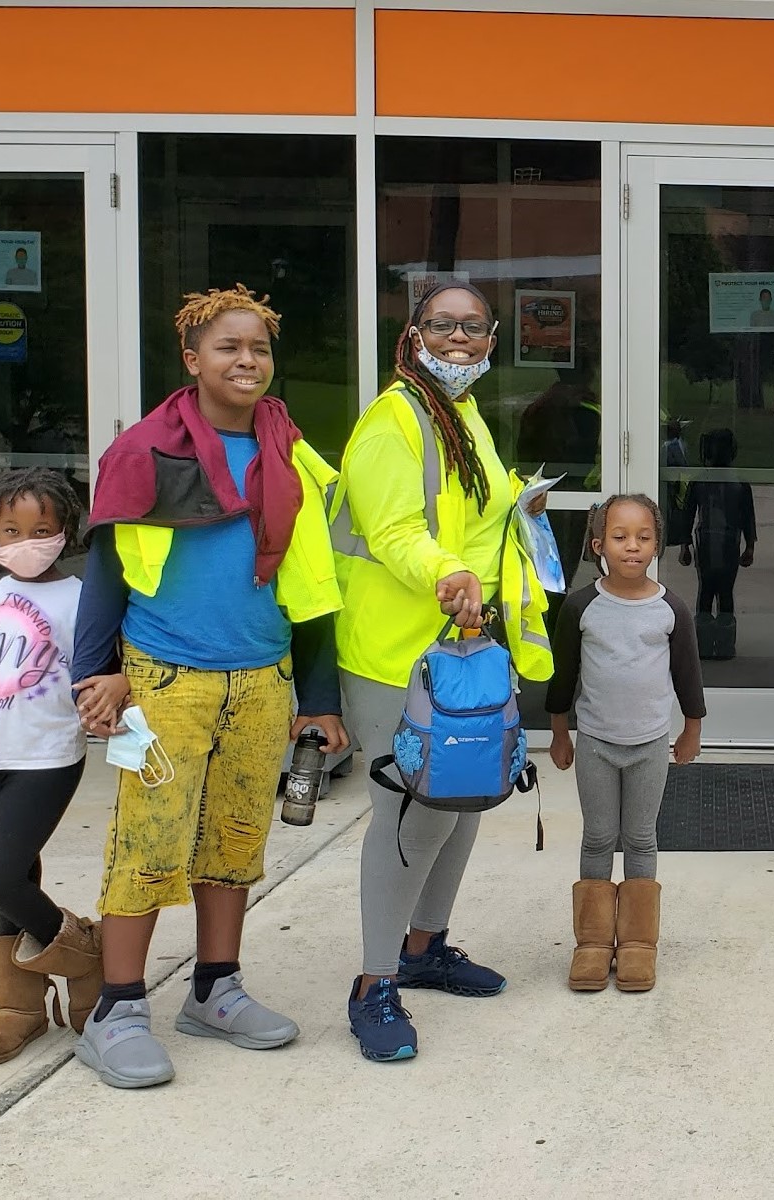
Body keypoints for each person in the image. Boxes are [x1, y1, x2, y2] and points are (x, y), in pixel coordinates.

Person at [69, 284, 347, 1088]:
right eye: (228, 347)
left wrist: (320, 698)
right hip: (161, 680)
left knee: (233, 843)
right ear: (192, 361)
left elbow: (311, 586)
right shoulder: (145, 452)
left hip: (261, 680)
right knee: (146, 844)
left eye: (259, 348)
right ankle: (117, 1009)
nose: (247, 360)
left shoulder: (288, 454)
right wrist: (98, 673)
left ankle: (215, 989)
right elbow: (106, 567)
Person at [331, 281, 552, 1063]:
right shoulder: (394, 418)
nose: (458, 339)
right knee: (409, 811)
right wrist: (448, 573)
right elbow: (392, 528)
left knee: (460, 803)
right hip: (399, 652)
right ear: (413, 333)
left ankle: (424, 946)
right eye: (442, 325)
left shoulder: (458, 416)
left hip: (460, 645)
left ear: (493, 339)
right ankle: (373, 983)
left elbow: (467, 512)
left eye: (472, 328)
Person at [0, 468, 94, 1064]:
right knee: (17, 876)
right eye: (12, 529)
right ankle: (21, 1006)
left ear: (64, 531)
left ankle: (84, 953)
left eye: (41, 528)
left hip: (48, 757)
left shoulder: (79, 597)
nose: (26, 539)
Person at [548, 494, 706, 992]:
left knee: (640, 838)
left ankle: (639, 943)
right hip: (595, 741)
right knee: (597, 838)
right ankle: (592, 943)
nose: (631, 547)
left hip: (649, 745)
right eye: (619, 538)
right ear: (598, 545)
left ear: (657, 545)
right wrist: (558, 732)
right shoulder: (582, 605)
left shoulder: (670, 608)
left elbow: (688, 675)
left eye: (642, 538)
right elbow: (563, 676)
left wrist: (692, 729)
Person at [679, 428, 755, 660]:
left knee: (706, 590)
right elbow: (748, 518)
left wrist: (685, 545)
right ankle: (723, 644)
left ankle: (703, 643)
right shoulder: (739, 484)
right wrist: (750, 546)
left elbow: (687, 516)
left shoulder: (700, 482)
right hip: (728, 542)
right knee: (725, 592)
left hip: (706, 542)